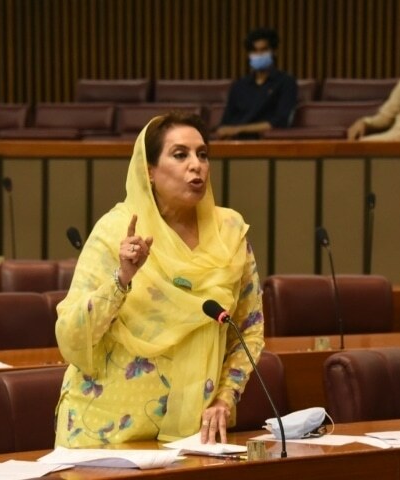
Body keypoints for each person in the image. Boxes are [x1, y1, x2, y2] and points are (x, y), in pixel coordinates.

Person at [54, 112, 265, 447]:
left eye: (203, 154)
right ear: (149, 171)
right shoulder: (115, 232)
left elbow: (248, 329)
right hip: (105, 431)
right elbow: (71, 333)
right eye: (180, 155)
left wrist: (225, 398)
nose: (196, 165)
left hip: (191, 433)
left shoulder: (231, 233)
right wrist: (122, 278)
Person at [216, 28, 298, 139]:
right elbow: (226, 122)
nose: (258, 54)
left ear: (274, 52)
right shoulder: (239, 86)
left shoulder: (286, 82)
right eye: (254, 50)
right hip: (235, 143)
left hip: (266, 144)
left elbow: (280, 121)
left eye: (263, 50)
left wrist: (238, 129)